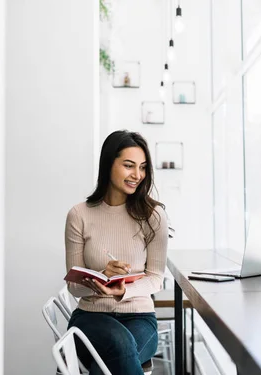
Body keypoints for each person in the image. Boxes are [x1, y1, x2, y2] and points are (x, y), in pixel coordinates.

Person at [64, 130, 168, 375]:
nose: (137, 175)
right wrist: (100, 275)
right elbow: (74, 287)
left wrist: (124, 291)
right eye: (129, 166)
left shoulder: (154, 216)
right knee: (119, 345)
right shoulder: (79, 215)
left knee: (109, 362)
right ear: (108, 164)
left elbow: (155, 278)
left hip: (140, 318)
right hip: (90, 318)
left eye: (143, 167)